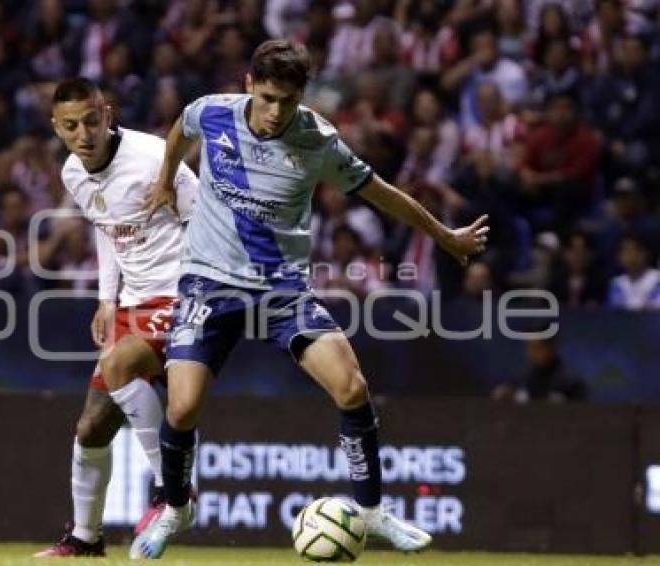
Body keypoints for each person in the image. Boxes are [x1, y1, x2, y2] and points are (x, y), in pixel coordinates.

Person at [131, 39, 489, 559]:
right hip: (209, 281)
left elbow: (385, 194)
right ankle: (176, 509)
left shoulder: (318, 141)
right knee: (182, 407)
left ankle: (370, 512)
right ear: (249, 84)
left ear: (302, 96)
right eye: (269, 97)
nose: (277, 112)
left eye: (289, 100)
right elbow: (178, 133)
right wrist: (165, 182)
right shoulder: (211, 113)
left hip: (282, 289)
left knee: (351, 387)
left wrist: (445, 236)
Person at [35, 78, 198, 557]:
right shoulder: (73, 174)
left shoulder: (154, 158)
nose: (83, 133)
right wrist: (109, 298)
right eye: (71, 126)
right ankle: (86, 538)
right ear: (56, 127)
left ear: (108, 113)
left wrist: (199, 295)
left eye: (91, 120)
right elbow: (108, 228)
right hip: (132, 303)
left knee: (118, 365)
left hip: (182, 294)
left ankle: (175, 491)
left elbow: (206, 218)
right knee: (91, 429)